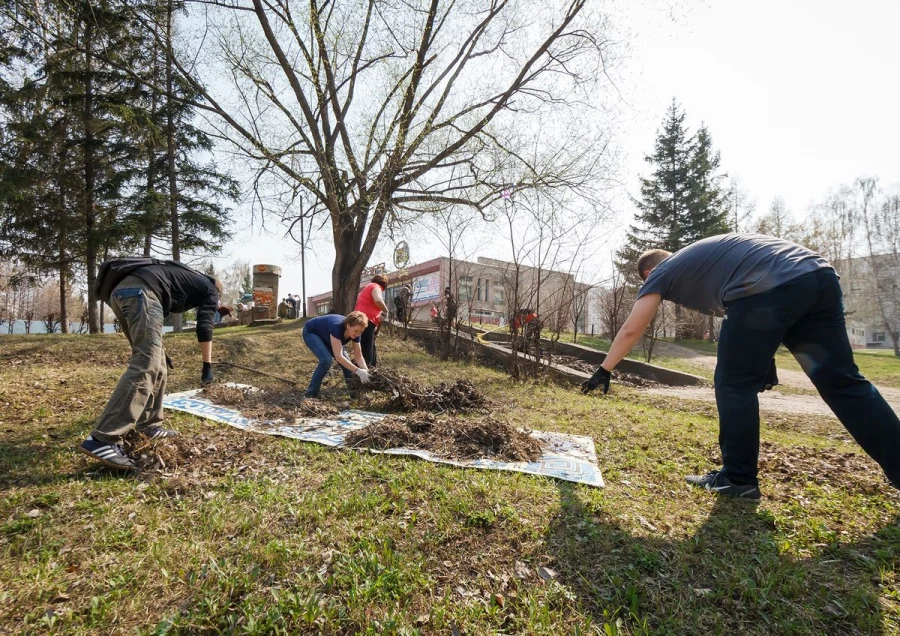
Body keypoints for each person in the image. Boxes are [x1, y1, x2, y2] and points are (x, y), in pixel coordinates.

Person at [581, 233, 900, 500]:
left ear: (649, 275)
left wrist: (605, 368)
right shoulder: (706, 260)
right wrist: (767, 359)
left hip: (773, 287)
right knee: (843, 383)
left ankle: (738, 479)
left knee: (732, 383)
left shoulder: (665, 270)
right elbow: (761, 309)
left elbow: (631, 329)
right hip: (817, 276)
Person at [79, 260, 222, 471]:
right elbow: (204, 325)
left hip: (122, 293)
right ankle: (104, 438)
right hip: (142, 293)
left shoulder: (185, 278)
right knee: (146, 363)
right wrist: (207, 366)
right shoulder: (211, 290)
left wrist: (160, 350)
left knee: (158, 362)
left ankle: (150, 425)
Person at [302, 311, 371, 398]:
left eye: (361, 332)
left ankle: (354, 393)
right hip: (312, 332)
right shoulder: (336, 327)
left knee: (347, 364)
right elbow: (339, 357)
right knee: (326, 360)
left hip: (328, 336)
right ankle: (311, 393)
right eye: (356, 331)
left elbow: (359, 356)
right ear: (348, 326)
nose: (358, 334)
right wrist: (358, 371)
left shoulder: (357, 333)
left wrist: (366, 371)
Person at [354, 274, 389, 367]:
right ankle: (367, 371)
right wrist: (386, 310)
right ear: (383, 285)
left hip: (359, 319)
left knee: (370, 346)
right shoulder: (376, 287)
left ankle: (372, 369)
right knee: (367, 349)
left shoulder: (366, 288)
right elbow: (378, 300)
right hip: (366, 320)